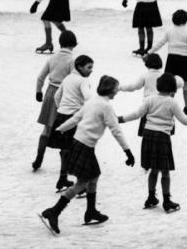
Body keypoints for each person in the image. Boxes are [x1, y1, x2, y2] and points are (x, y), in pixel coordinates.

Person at [39, 75, 134, 235]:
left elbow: (76, 119)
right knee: (82, 183)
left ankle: (91, 211)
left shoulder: (91, 102)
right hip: (85, 146)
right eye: (116, 89)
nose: (117, 91)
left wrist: (60, 128)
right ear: (110, 89)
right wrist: (128, 152)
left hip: (78, 143)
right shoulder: (106, 107)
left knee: (94, 176)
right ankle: (54, 211)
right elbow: (116, 130)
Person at [118, 73, 187, 212]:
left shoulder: (150, 99)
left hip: (148, 135)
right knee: (165, 171)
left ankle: (151, 197)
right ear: (173, 89)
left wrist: (121, 119)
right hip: (162, 137)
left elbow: (136, 114)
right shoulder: (172, 102)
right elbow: (185, 121)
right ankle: (167, 200)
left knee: (153, 169)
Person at [32, 30, 77, 171]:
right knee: (66, 130)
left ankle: (39, 158)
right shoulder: (72, 61)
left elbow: (40, 77)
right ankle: (67, 165)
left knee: (47, 128)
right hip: (65, 95)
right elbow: (74, 80)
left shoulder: (52, 58)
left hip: (50, 93)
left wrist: (39, 92)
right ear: (73, 45)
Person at [48, 54, 94, 191]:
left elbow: (57, 96)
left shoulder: (67, 78)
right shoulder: (83, 81)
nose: (91, 70)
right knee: (80, 150)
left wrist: (62, 108)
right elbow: (88, 97)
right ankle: (82, 184)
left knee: (65, 150)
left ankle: (62, 178)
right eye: (89, 67)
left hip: (61, 116)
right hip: (74, 118)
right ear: (80, 67)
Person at [146, 9, 187, 114]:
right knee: (185, 85)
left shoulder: (170, 31)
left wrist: (149, 52)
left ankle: (169, 105)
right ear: (186, 20)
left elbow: (160, 43)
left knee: (170, 84)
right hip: (185, 60)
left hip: (172, 60)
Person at [119, 53, 183, 136]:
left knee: (147, 133)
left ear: (147, 65)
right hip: (164, 107)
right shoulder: (165, 76)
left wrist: (120, 88)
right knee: (165, 134)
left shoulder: (145, 76)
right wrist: (177, 77)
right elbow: (180, 83)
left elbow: (133, 87)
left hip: (148, 107)